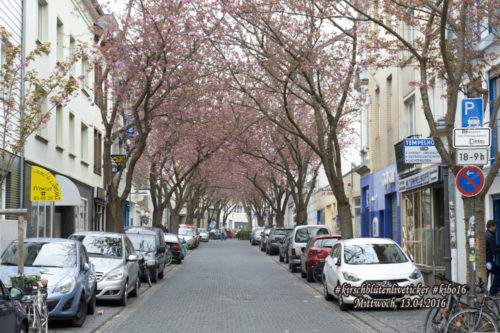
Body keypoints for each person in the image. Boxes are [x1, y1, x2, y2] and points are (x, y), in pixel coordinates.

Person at [485, 220, 500, 295]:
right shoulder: (490, 236)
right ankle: (493, 291)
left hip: (486, 261)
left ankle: (487, 293)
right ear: (492, 226)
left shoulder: (486, 234)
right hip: (488, 262)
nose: (496, 228)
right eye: (496, 226)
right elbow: (494, 250)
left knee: (485, 278)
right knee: (498, 272)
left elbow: (493, 247)